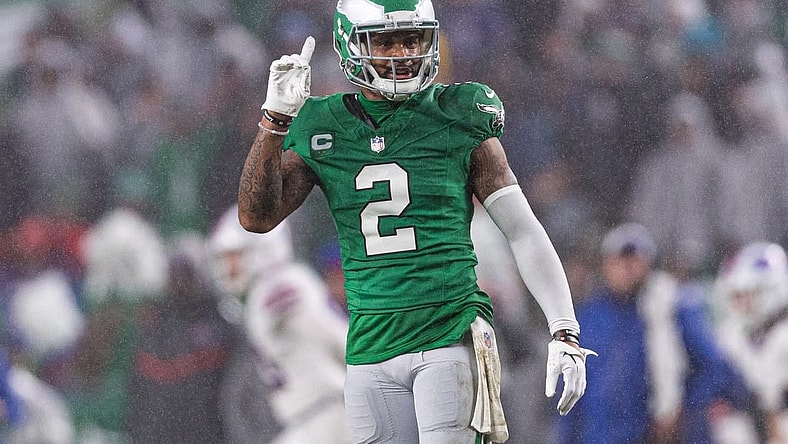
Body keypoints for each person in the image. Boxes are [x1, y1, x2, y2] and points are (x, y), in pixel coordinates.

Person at [237, 1, 595, 442]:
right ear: (349, 44)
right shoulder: (321, 124)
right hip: (369, 344)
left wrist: (564, 327)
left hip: (449, 332)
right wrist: (273, 122)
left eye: (412, 39)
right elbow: (256, 218)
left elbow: (522, 229)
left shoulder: (458, 112)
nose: (403, 53)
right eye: (385, 42)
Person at [557, 223, 754, 444]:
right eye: (620, 259)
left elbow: (716, 367)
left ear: (648, 264)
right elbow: (570, 386)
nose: (627, 268)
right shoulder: (588, 316)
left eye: (635, 259)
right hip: (597, 436)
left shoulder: (670, 308)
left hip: (651, 435)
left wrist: (683, 408)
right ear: (606, 264)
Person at [210, 205, 351, 444]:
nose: (228, 268)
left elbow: (337, 337)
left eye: (234, 256)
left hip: (326, 417)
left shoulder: (278, 287)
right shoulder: (269, 290)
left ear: (259, 249)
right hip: (315, 417)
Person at [713, 241, 788, 443]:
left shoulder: (782, 335)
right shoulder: (735, 333)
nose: (738, 304)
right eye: (735, 296)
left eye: (745, 295)